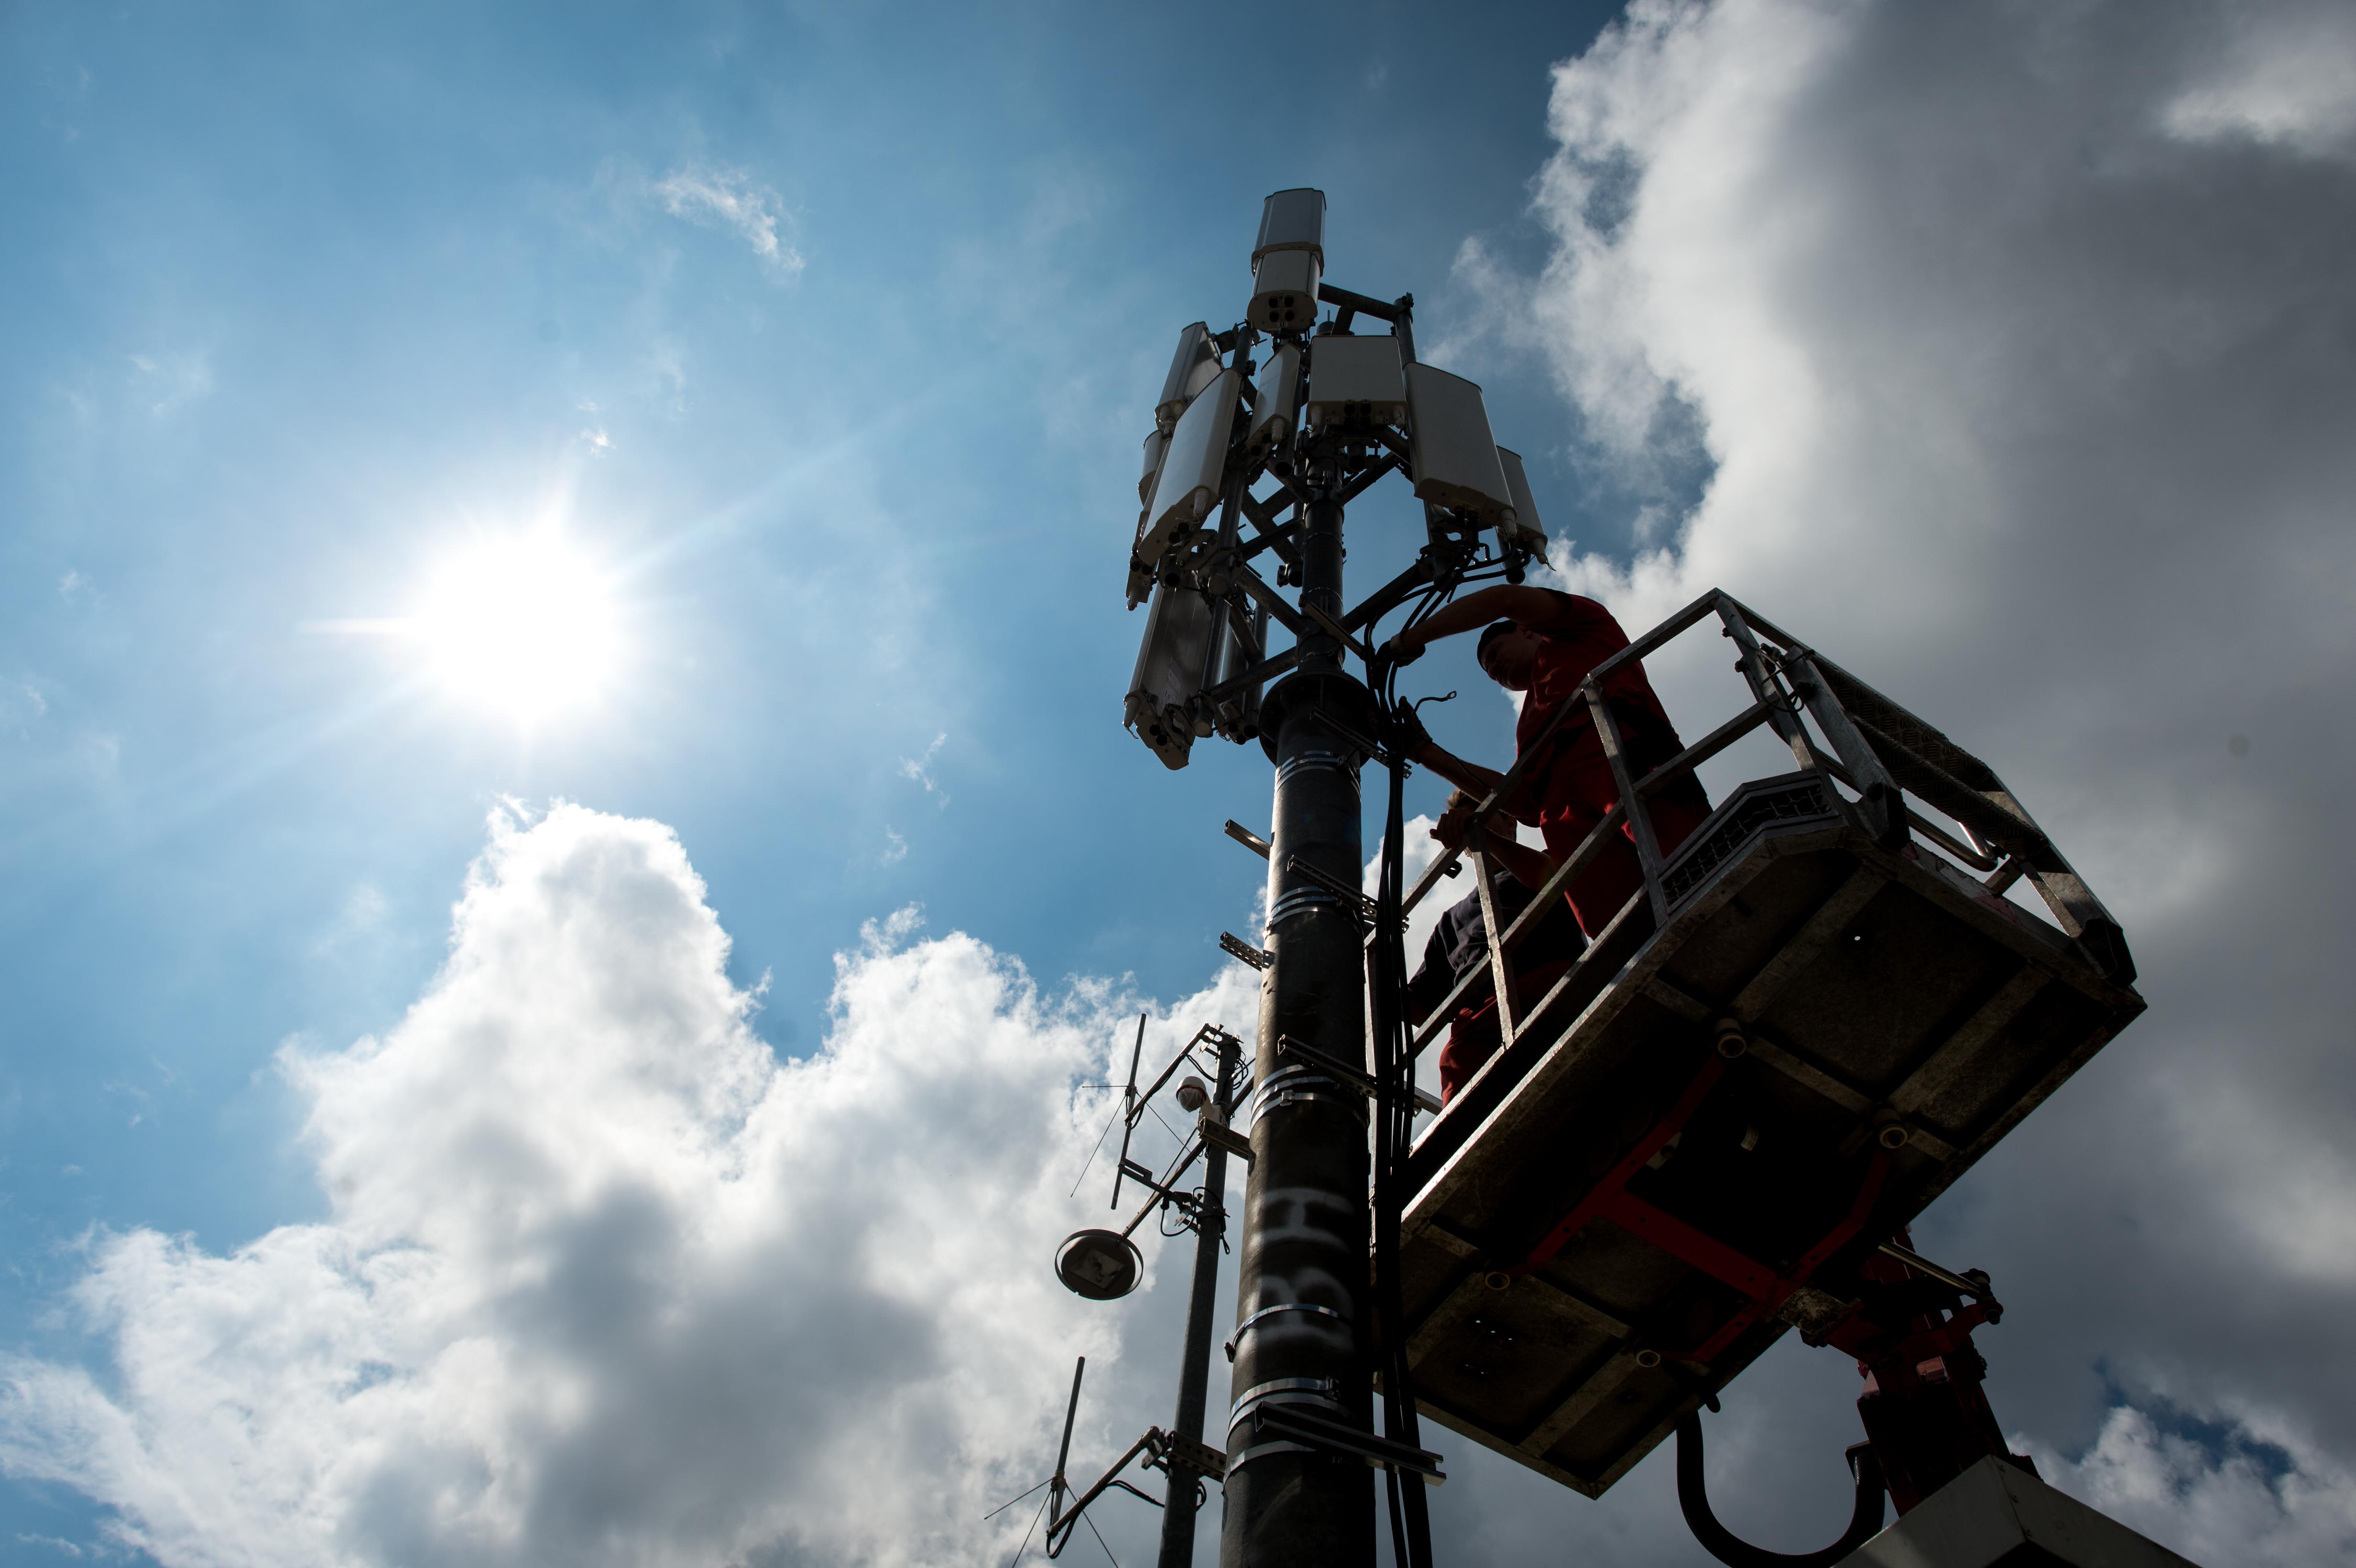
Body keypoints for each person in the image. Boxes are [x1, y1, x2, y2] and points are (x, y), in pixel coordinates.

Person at [1384, 585, 1713, 939]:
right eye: (1489, 671)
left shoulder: (1583, 635)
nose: (1494, 669)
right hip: (1596, 871)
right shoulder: (1529, 728)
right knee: (1623, 931)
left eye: (1494, 654)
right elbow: (1524, 803)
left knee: (1692, 871)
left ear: (1526, 629)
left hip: (1634, 776)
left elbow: (1503, 599)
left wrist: (1411, 639)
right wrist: (1424, 753)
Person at [1404, 831, 1587, 1103]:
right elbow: (1420, 1008)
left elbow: (1557, 878)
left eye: (1482, 812)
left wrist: (1480, 832)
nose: (1469, 827)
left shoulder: (1539, 863)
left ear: (1509, 821)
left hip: (1545, 978)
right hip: (1480, 1016)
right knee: (1455, 1062)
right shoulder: (1450, 921)